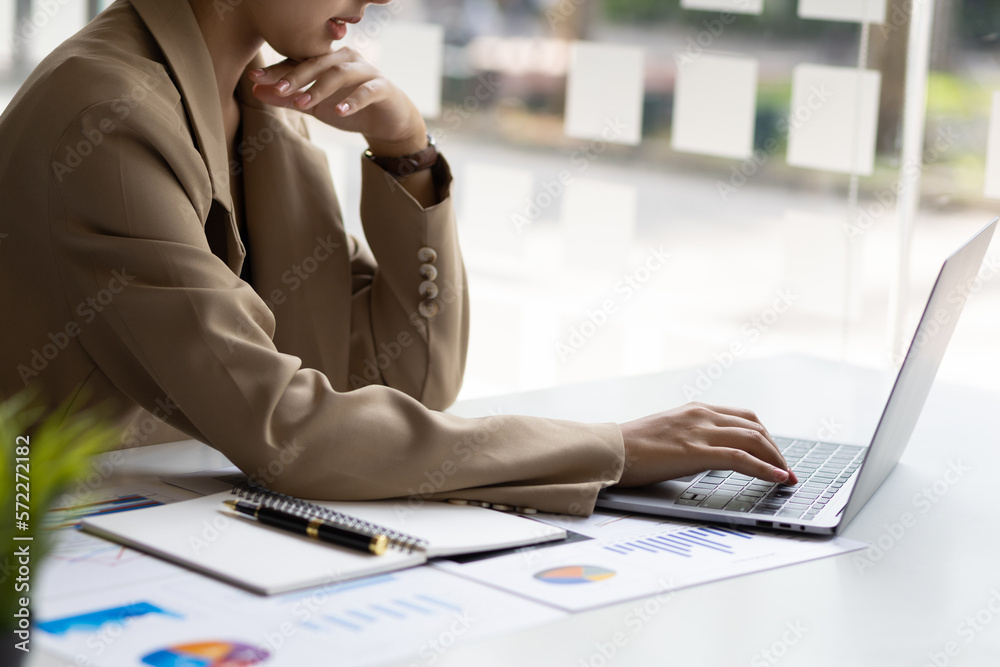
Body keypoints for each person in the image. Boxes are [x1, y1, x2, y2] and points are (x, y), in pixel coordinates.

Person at [0, 0, 796, 516]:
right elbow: (288, 428)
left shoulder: (261, 102)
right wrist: (613, 446)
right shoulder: (104, 118)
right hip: (59, 562)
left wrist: (405, 151)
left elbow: (400, 381)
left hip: (182, 528)